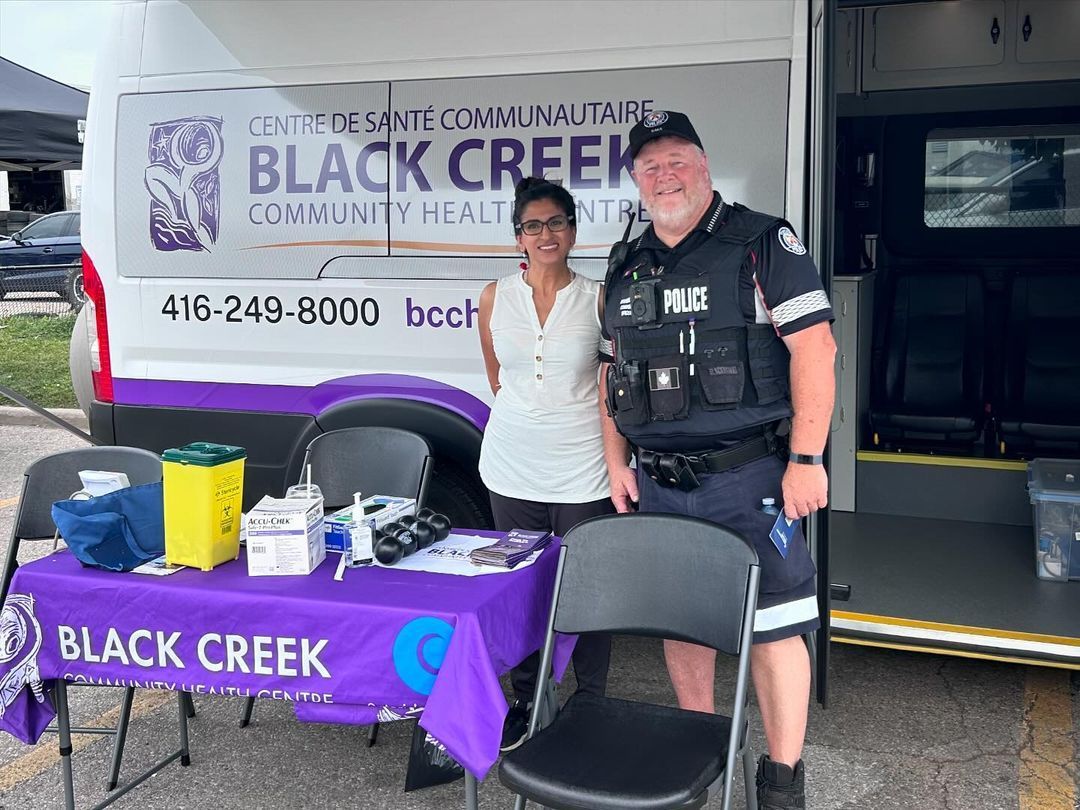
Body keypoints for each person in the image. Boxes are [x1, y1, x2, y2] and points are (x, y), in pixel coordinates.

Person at [600, 111, 836, 810]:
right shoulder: (626, 261)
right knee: (685, 626)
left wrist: (807, 458)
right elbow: (610, 372)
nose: (664, 175)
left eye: (677, 160)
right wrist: (618, 461)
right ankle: (702, 759)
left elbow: (815, 350)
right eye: (650, 166)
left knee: (772, 629)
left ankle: (781, 781)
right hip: (661, 482)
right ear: (636, 181)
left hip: (752, 476)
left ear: (704, 167)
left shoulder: (763, 242)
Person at [477, 176, 614, 752]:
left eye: (556, 222)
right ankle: (528, 699)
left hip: (583, 465)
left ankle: (592, 699)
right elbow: (497, 377)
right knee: (523, 586)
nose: (546, 233)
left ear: (573, 231)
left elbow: (609, 388)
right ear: (518, 238)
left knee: (587, 584)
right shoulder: (493, 297)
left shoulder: (599, 297)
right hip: (510, 465)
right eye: (533, 225)